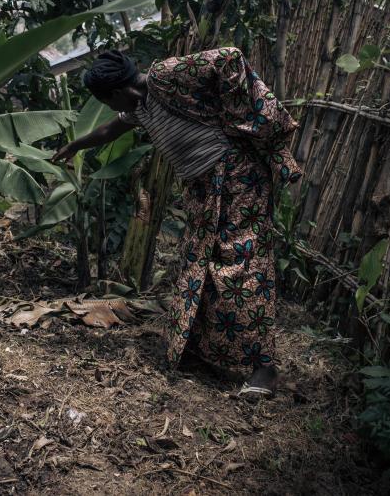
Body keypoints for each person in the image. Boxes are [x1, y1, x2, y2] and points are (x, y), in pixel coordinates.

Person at [52, 48, 302, 396]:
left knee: (240, 268)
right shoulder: (140, 106)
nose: (109, 108)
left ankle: (265, 369)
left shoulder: (163, 77)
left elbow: (229, 57)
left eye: (103, 100)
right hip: (204, 187)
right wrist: (77, 144)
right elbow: (111, 128)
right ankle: (205, 351)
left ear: (114, 92)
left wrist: (241, 117)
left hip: (237, 177)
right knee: (200, 266)